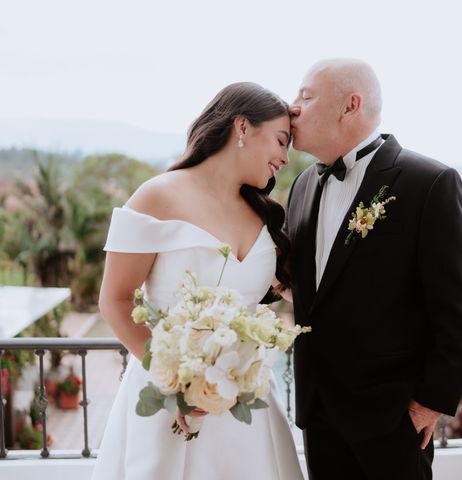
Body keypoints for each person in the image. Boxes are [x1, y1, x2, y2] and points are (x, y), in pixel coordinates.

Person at [285, 59, 462, 480]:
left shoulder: (428, 182)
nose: (292, 107)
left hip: (391, 416)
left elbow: (461, 305)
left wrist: (430, 403)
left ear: (350, 105)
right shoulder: (302, 186)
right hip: (317, 410)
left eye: (305, 96)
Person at [92, 82, 304, 480]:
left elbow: (297, 295)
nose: (285, 158)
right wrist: (179, 384)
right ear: (242, 127)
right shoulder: (156, 197)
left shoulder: (265, 216)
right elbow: (116, 301)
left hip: (247, 406)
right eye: (280, 141)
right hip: (170, 399)